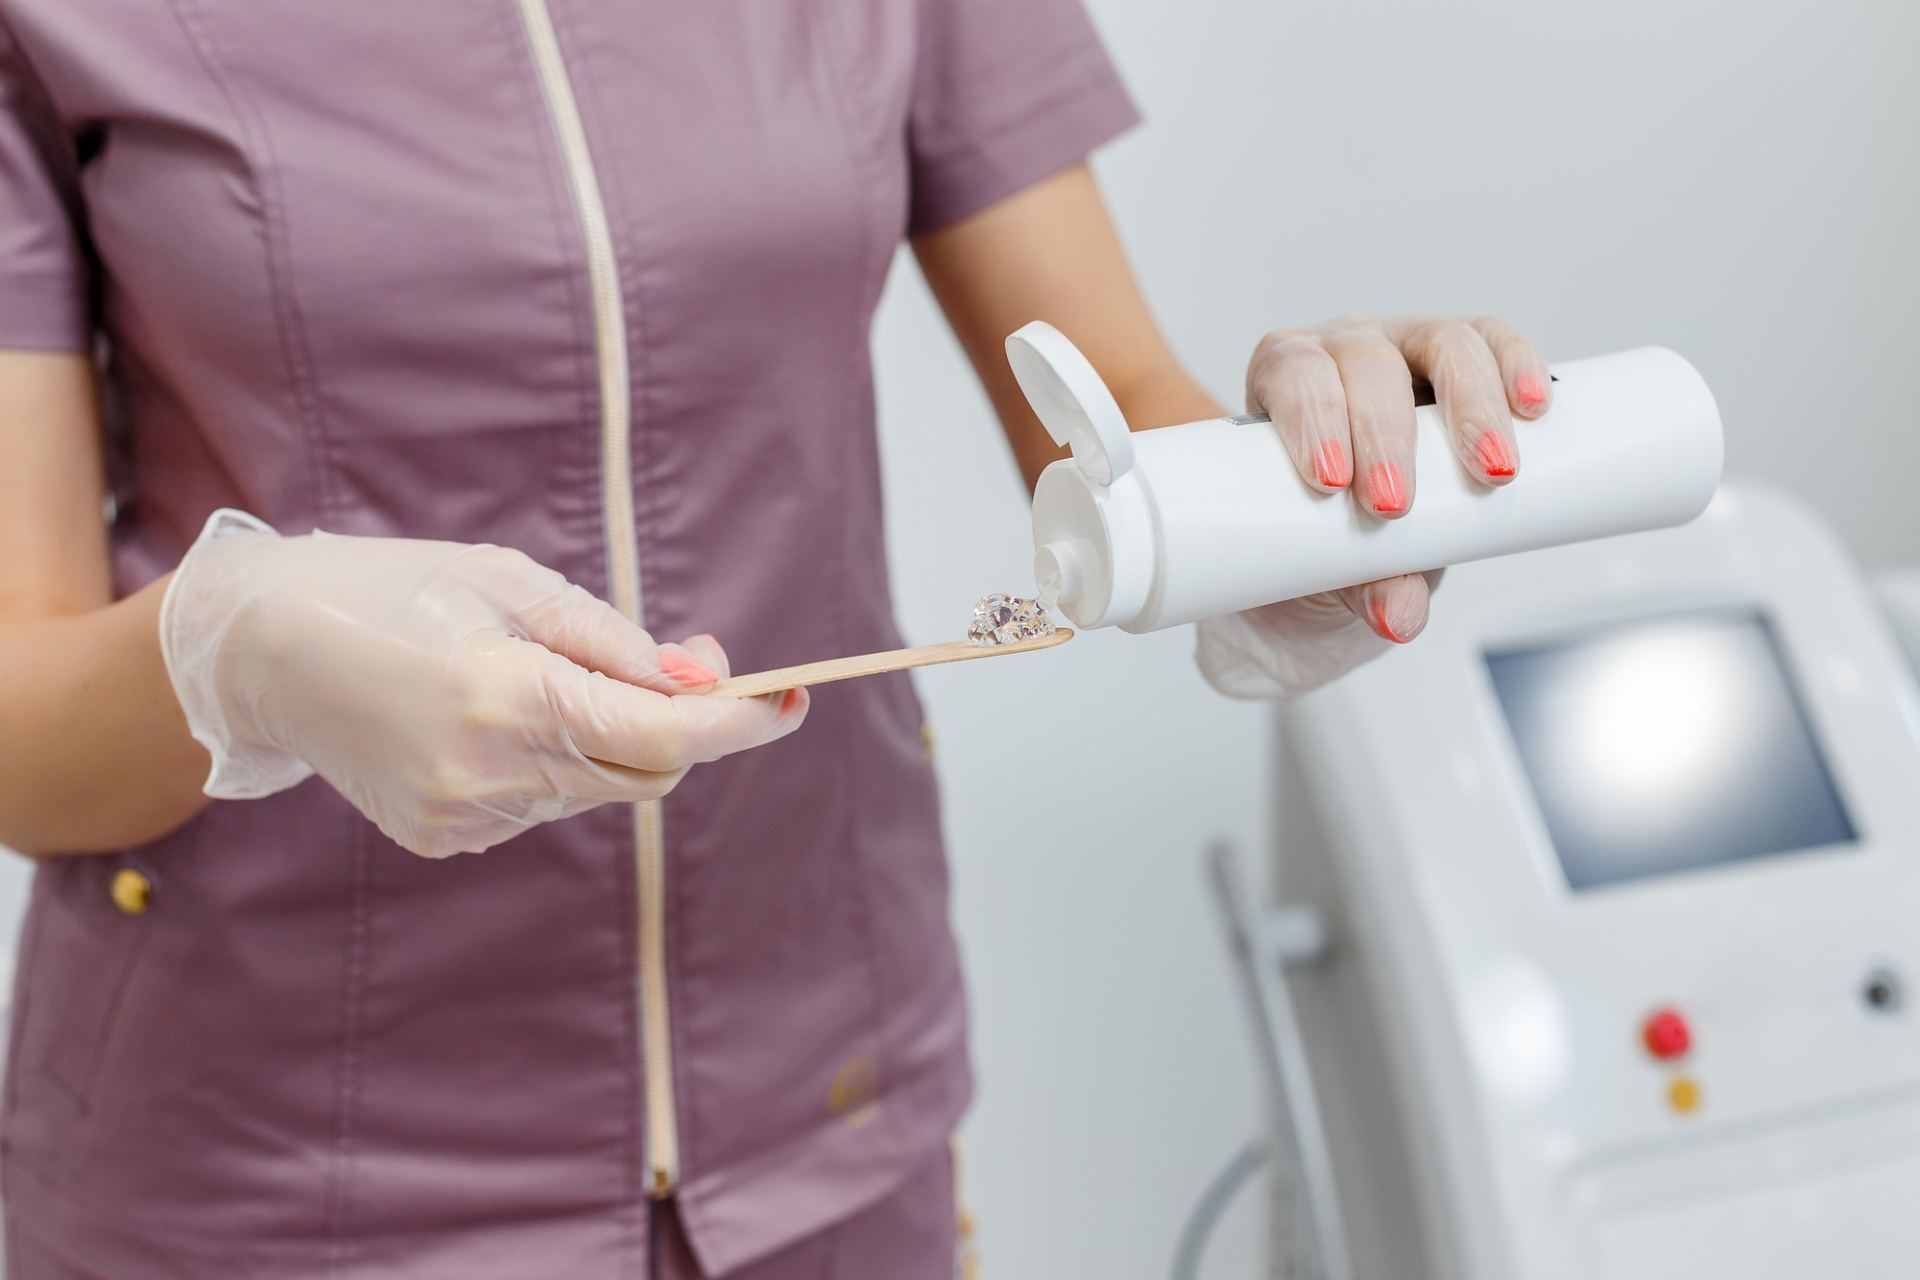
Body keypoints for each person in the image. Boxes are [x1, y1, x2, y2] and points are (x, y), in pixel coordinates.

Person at [0, 1, 1551, 1276]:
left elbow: (1115, 421)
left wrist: (1302, 494)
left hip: (832, 1132)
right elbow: (21, 721)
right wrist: (241, 646)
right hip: (261, 1186)